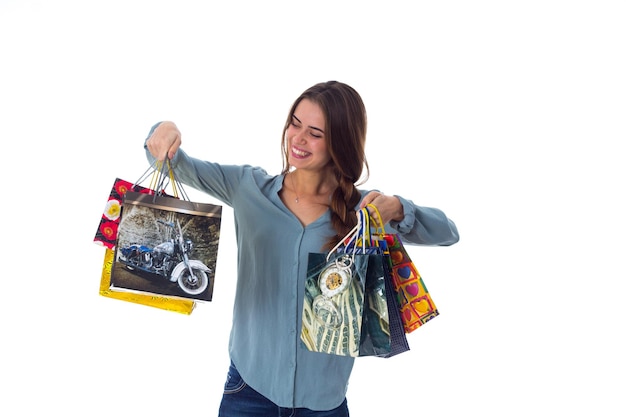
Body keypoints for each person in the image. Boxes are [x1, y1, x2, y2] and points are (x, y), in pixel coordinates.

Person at [144, 81, 459, 416]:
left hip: (324, 402)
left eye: (315, 132)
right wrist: (163, 130)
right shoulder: (247, 187)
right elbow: (170, 162)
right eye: (294, 123)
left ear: (341, 141)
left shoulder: (363, 210)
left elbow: (447, 232)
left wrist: (397, 208)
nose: (298, 138)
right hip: (248, 392)